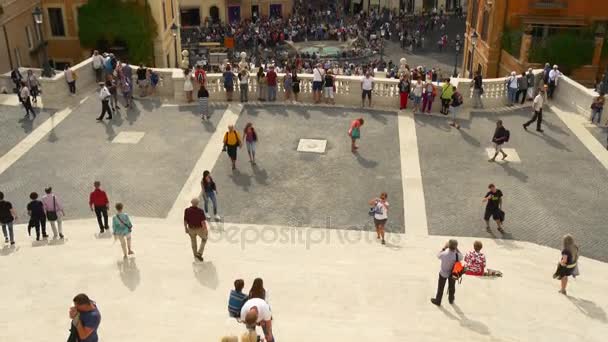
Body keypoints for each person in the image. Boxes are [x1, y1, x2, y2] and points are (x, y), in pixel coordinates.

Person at [430, 239, 462, 306]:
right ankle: (451, 299)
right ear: (456, 247)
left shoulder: (444, 254)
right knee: (452, 287)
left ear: (448, 246)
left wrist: (444, 247)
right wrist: (457, 249)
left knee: (440, 288)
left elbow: (438, 255)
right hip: (453, 274)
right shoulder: (457, 255)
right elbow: (461, 256)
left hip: (443, 273)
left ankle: (438, 300)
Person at [183, 198, 208, 262]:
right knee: (204, 239)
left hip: (191, 228)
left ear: (191, 203)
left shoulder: (187, 210)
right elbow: (203, 222)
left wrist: (186, 228)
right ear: (197, 203)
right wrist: (205, 229)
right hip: (199, 229)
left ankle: (195, 254)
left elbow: (185, 220)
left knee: (193, 242)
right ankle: (199, 253)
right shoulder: (200, 211)